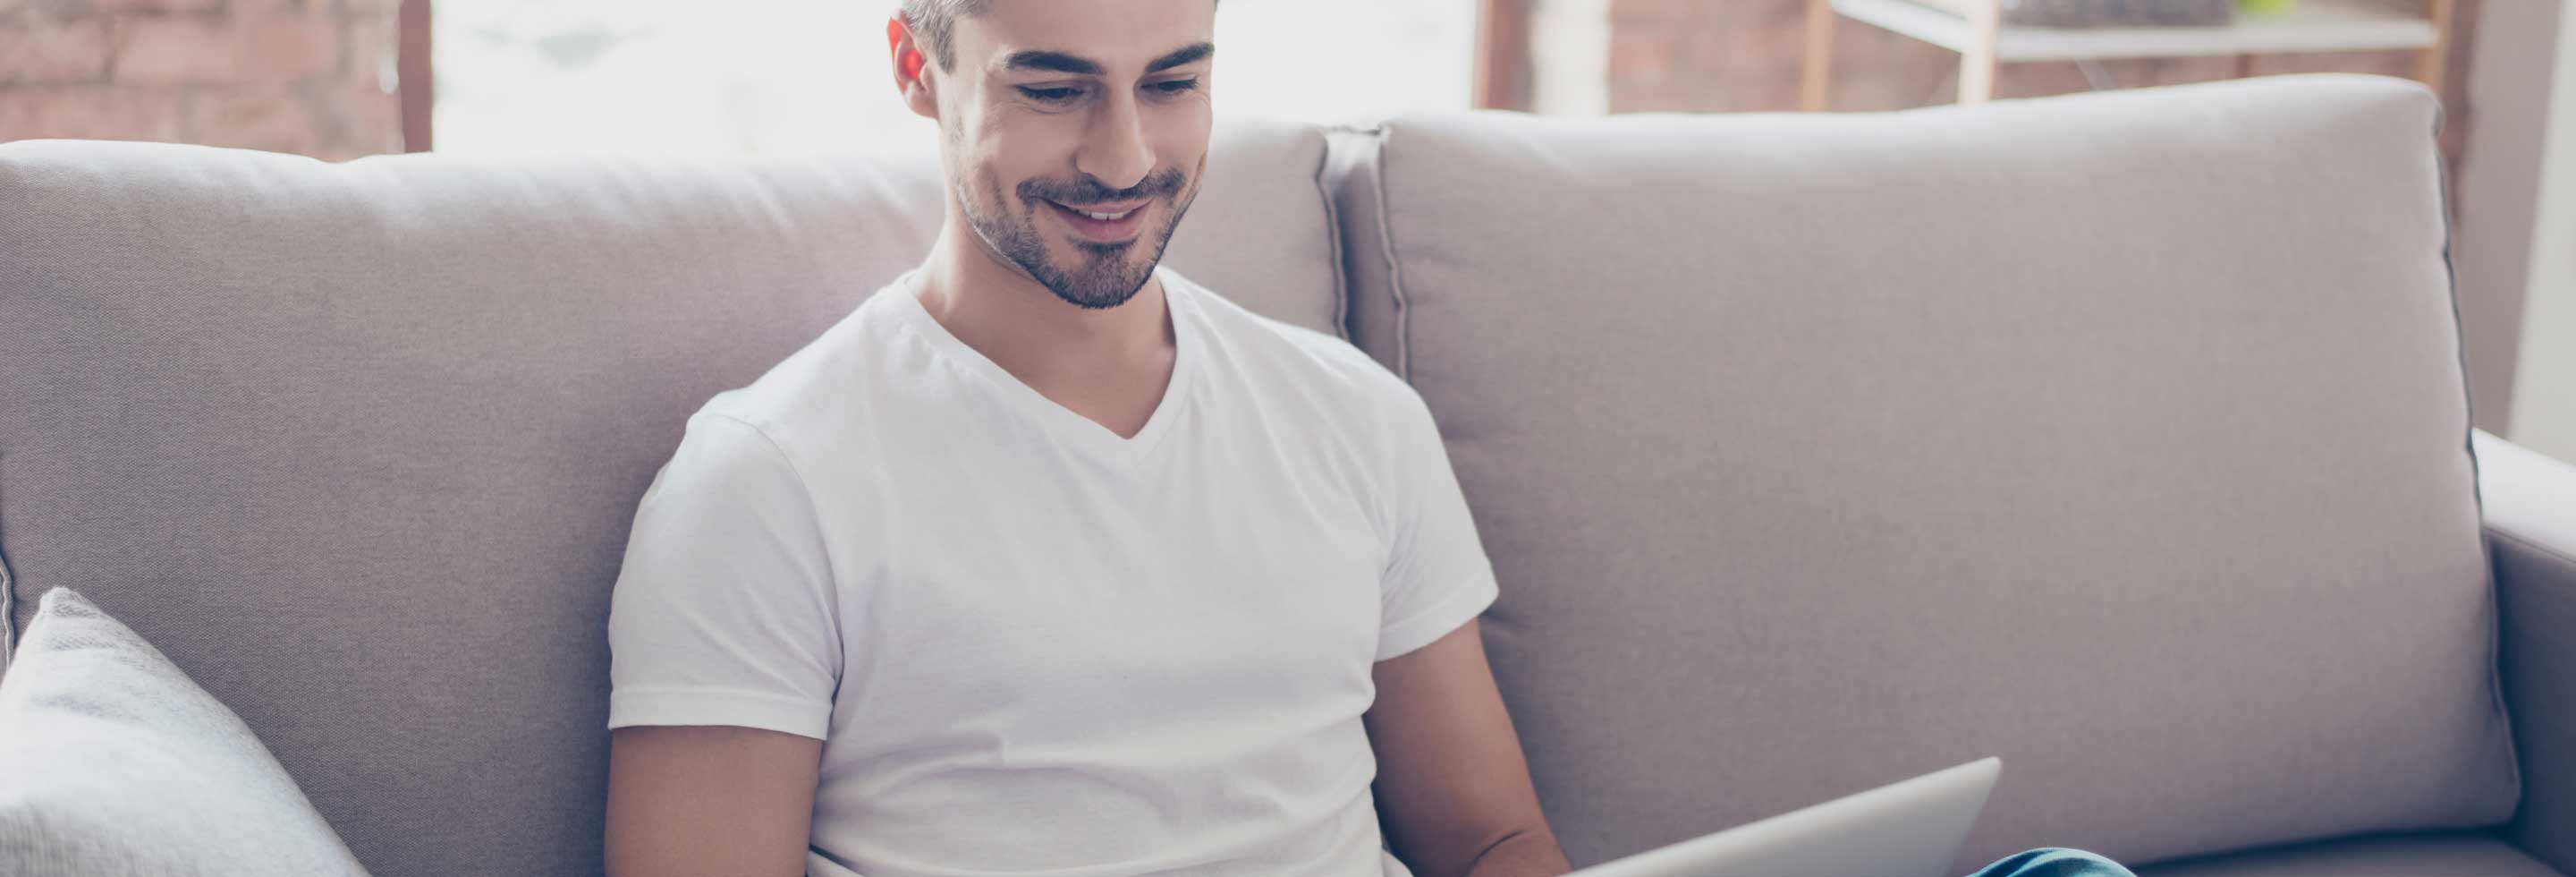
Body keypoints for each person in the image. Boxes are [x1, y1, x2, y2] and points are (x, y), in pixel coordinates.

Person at [597, 2, 2142, 876]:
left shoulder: (1346, 420)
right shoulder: (769, 483)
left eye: (1174, 82)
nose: (1124, 159)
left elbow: (1484, 841)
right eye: (1055, 91)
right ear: (915, 64)